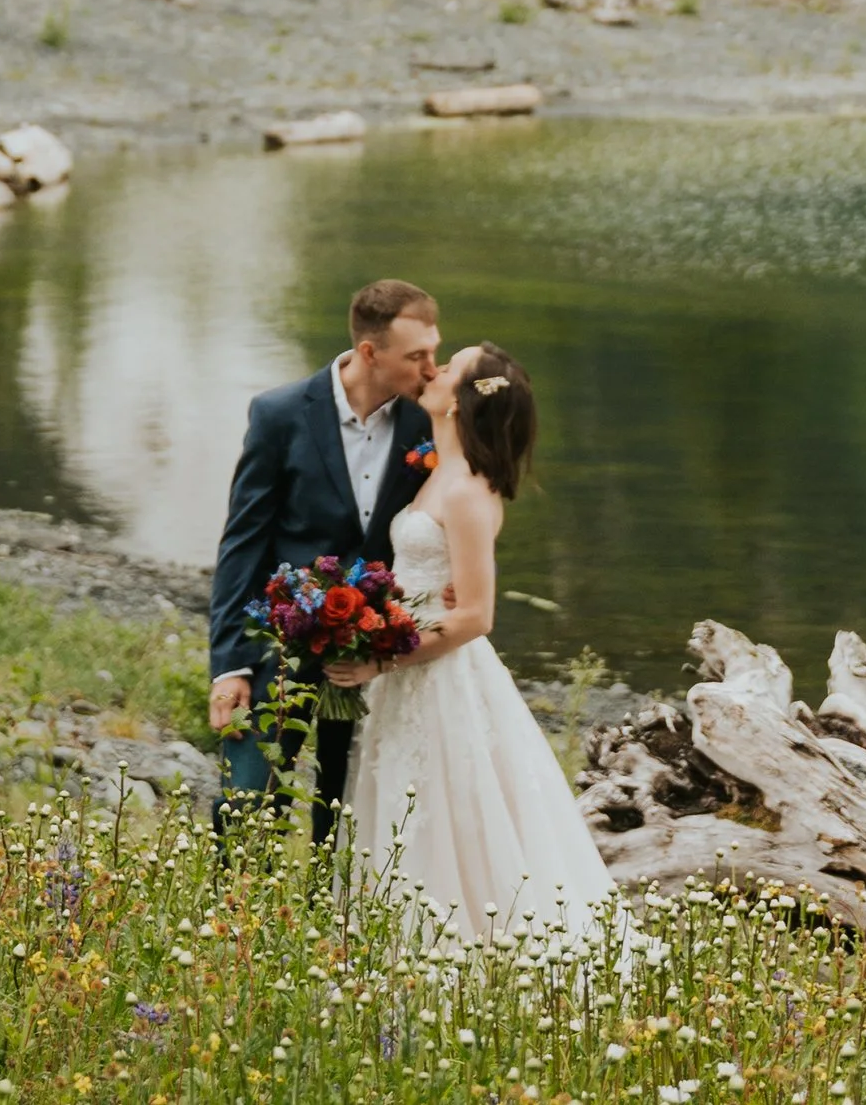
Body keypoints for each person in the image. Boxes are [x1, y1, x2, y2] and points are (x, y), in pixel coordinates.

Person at [342, 341, 618, 949]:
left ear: (463, 401)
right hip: (411, 663)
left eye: (449, 368)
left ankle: (459, 943)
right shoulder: (441, 474)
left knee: (448, 801)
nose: (432, 372)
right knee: (405, 795)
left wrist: (379, 656)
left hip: (437, 672)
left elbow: (475, 615)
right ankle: (395, 941)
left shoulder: (467, 490)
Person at [207, 276, 440, 837]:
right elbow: (243, 543)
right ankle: (234, 917)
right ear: (369, 352)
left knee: (353, 809)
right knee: (248, 806)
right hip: (280, 646)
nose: (433, 368)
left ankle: (331, 912)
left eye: (433, 351)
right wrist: (231, 664)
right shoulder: (279, 414)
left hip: (378, 653)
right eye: (417, 356)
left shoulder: (428, 421)